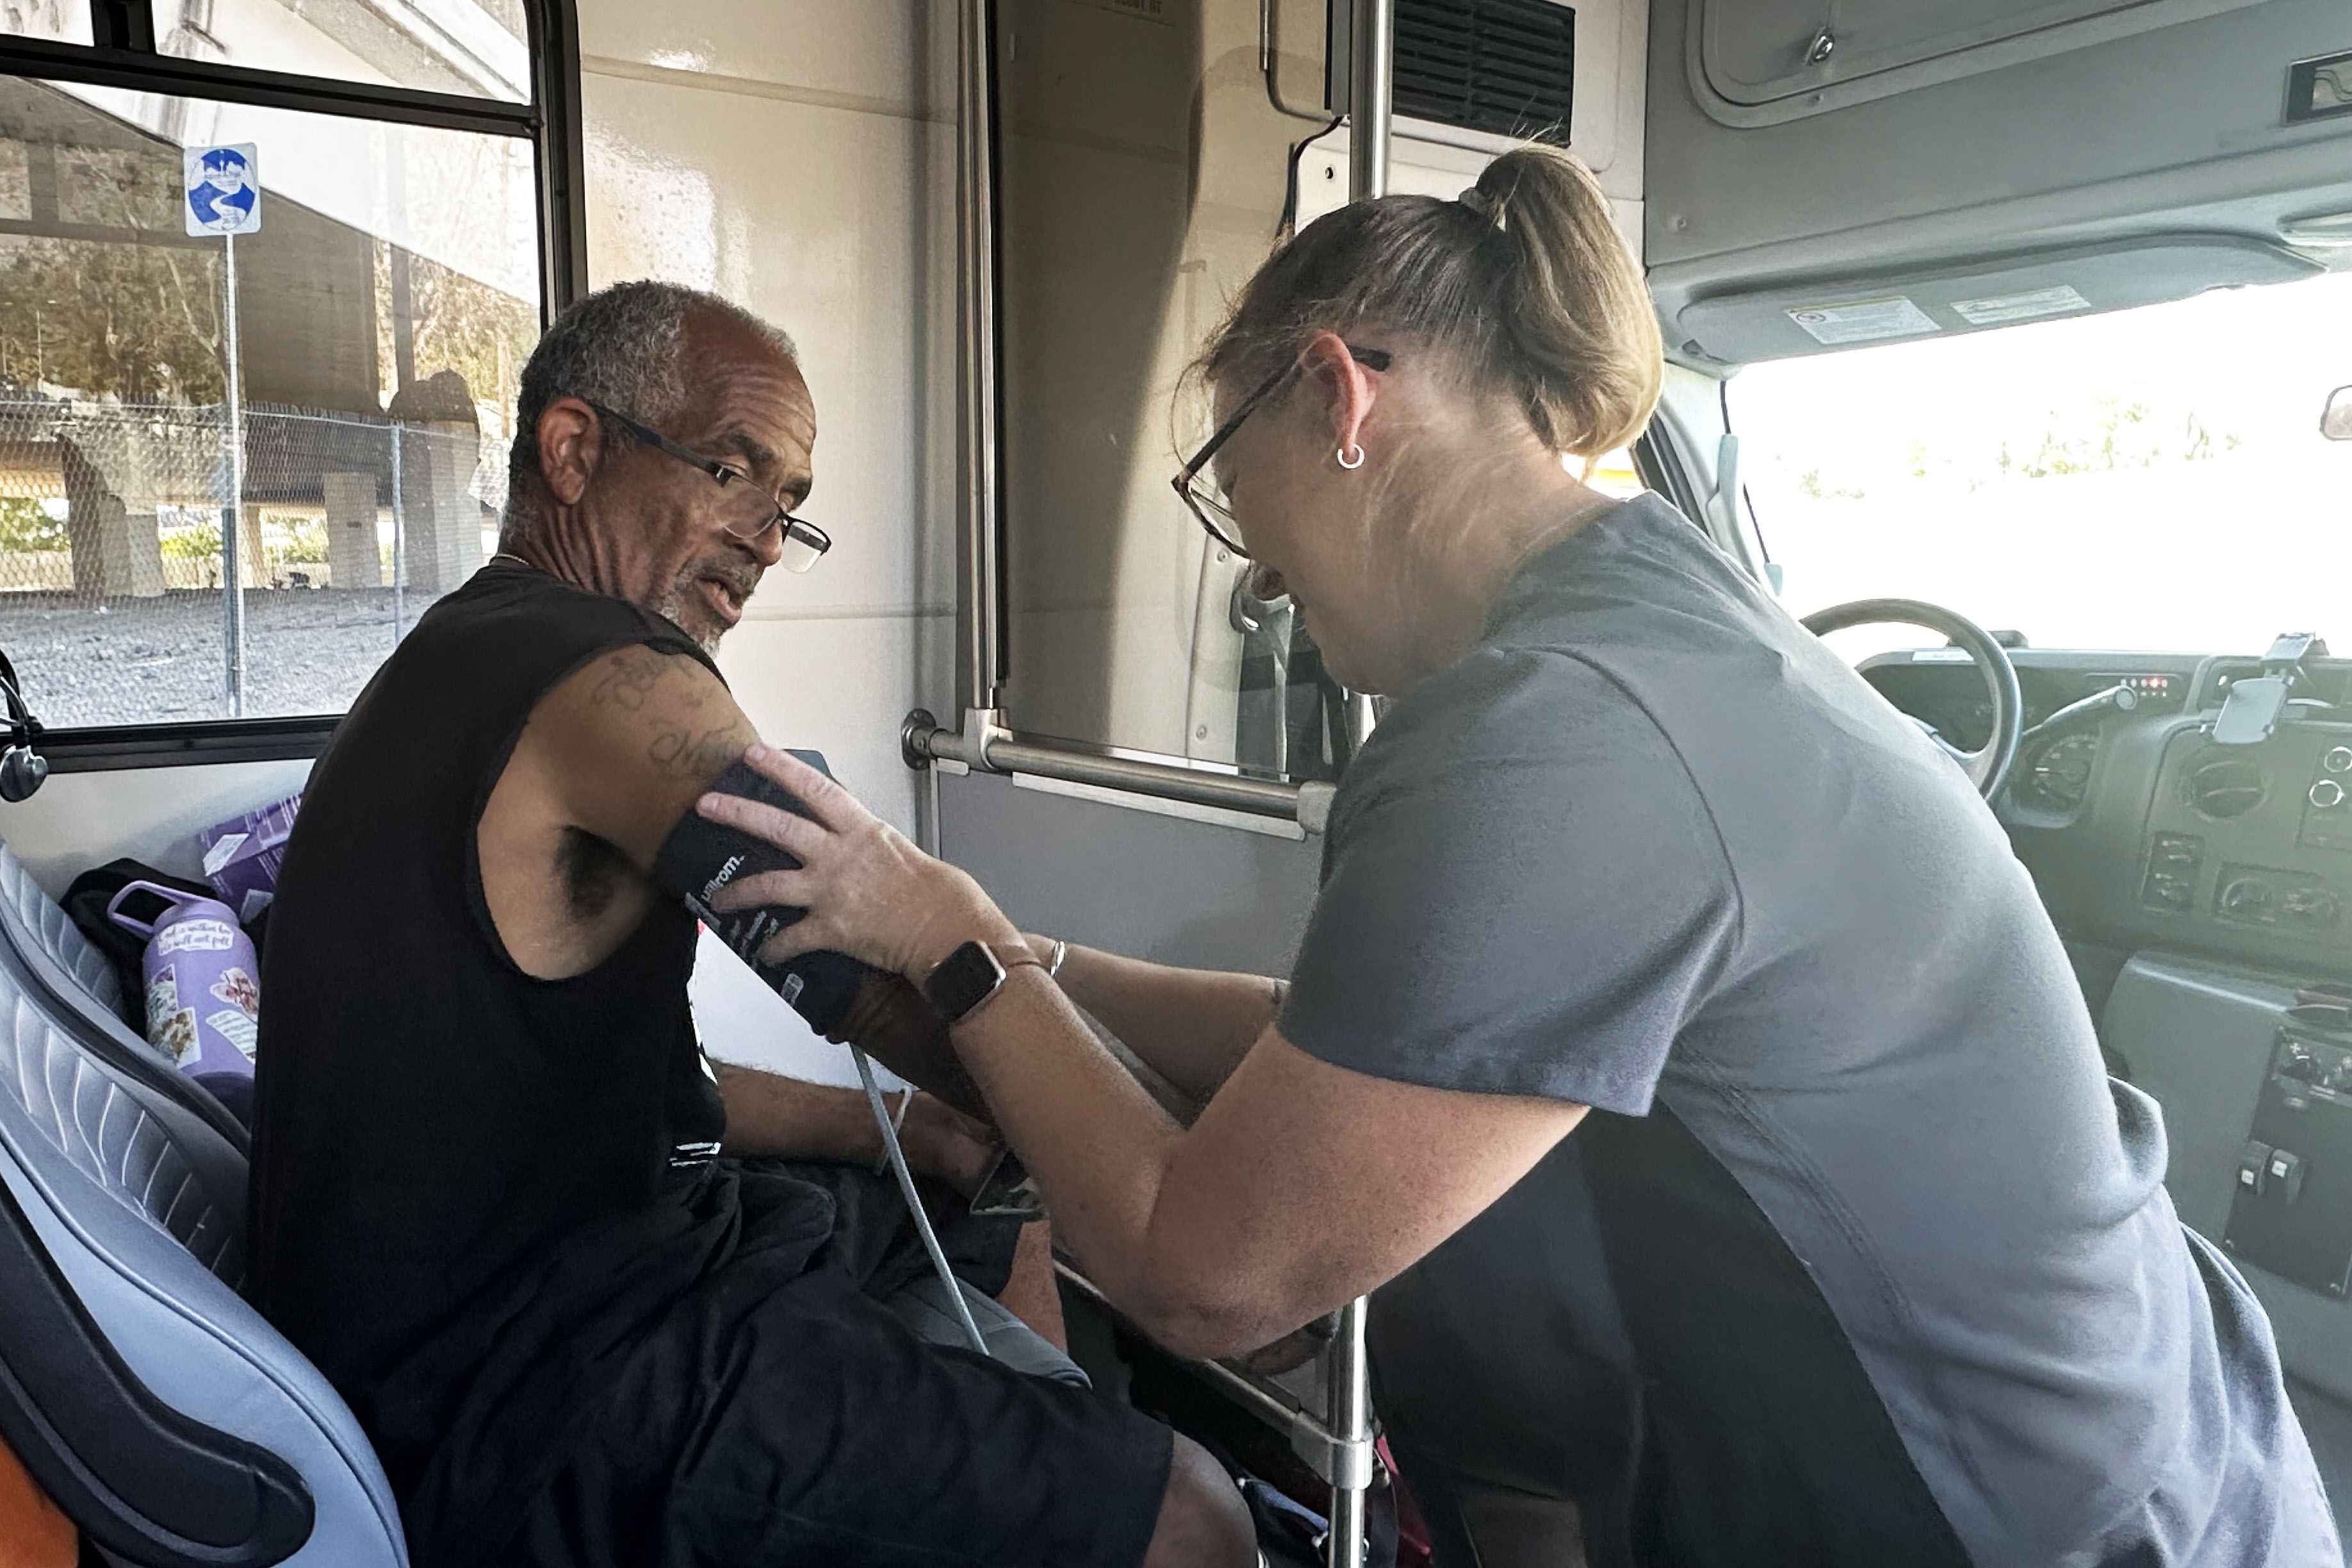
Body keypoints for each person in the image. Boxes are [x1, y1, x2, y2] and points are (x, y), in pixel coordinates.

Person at [696, 147, 2342, 1567]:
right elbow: (1354, 1042)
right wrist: (1043, 974)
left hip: (2008, 1507)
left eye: (1227, 479)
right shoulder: (1653, 620)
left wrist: (956, 939)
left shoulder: (1559, 730)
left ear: (1339, 395)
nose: (1255, 571)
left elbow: (1214, 1276)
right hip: (2134, 1427)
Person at [246, 281, 1253, 1568]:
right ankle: (1078, 1504)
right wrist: (1199, 1166)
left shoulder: (461, 651)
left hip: (526, 1298)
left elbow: (616, 1085)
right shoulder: (616, 683)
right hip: (530, 1390)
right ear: (573, 450)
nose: (769, 541)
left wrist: (910, 1129)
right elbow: (894, 995)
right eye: (735, 474)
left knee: (991, 1204)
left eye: (790, 507)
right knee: (1193, 1516)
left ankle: (1025, 1490)